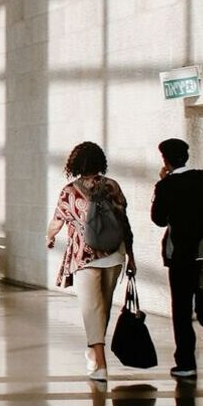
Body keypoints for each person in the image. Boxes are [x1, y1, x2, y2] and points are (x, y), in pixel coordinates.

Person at [46, 141, 132, 385]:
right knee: (102, 309)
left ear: (75, 164)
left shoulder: (69, 191)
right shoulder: (113, 186)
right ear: (100, 162)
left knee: (91, 309)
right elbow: (124, 223)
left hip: (84, 256)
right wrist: (131, 256)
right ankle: (95, 353)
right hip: (114, 255)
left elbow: (56, 222)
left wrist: (49, 236)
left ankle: (100, 364)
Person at [150, 138, 203, 381]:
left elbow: (159, 219)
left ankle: (186, 363)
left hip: (181, 257)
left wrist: (162, 183)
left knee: (182, 310)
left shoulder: (166, 186)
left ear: (166, 160)